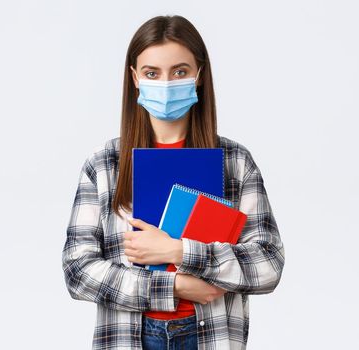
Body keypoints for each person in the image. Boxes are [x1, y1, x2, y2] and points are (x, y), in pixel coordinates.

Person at [61, 15, 285, 350]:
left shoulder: (235, 163)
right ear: (135, 78)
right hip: (131, 336)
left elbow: (268, 264)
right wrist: (174, 286)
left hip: (210, 335)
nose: (166, 84)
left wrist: (179, 251)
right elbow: (78, 270)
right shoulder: (105, 163)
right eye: (152, 73)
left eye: (179, 71)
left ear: (198, 76)